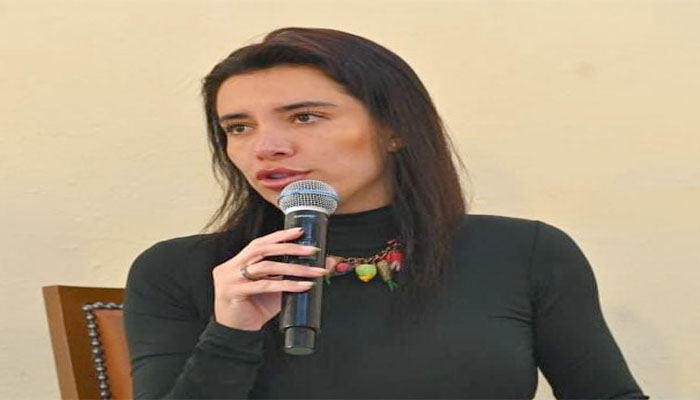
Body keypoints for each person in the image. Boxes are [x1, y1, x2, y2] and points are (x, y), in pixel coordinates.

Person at [124, 27, 648, 399]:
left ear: (394, 129)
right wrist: (231, 333)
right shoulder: (182, 272)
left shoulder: (524, 253)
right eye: (239, 127)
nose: (266, 147)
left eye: (304, 117)